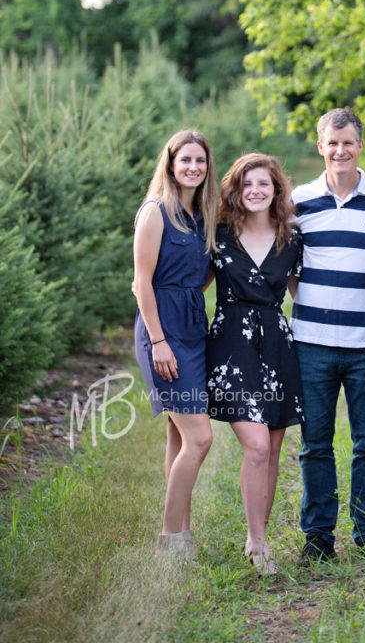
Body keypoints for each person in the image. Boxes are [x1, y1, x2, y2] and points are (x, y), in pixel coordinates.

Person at [291, 108, 365, 562]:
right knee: (315, 443)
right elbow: (290, 267)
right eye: (332, 144)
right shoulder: (298, 201)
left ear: (360, 146)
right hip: (311, 341)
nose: (340, 151)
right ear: (320, 147)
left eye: (348, 142)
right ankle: (317, 537)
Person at [205, 153, 304, 574]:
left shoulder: (292, 240)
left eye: (264, 184)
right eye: (247, 184)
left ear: (276, 190)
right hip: (231, 346)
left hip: (277, 345)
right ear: (236, 190)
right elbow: (193, 284)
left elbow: (303, 294)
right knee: (258, 446)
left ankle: (257, 534)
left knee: (274, 447)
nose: (255, 191)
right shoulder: (220, 235)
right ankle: (257, 540)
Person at [133, 129, 218, 557]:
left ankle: (182, 529)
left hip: (192, 330)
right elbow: (141, 282)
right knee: (201, 438)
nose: (193, 167)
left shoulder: (202, 215)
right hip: (162, 333)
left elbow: (201, 274)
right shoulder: (156, 211)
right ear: (170, 163)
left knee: (179, 434)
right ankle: (170, 541)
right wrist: (159, 340)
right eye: (185, 159)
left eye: (200, 161)